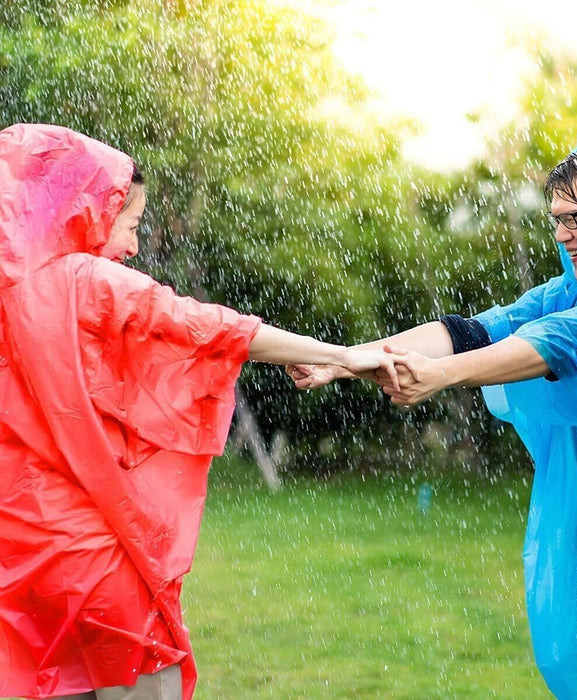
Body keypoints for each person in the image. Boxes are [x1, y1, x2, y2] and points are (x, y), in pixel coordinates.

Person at [0, 123, 406, 700]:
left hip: (23, 553)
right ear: (88, 210)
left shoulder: (10, 293)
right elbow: (217, 329)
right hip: (96, 554)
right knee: (147, 682)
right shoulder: (89, 283)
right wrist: (342, 355)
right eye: (131, 226)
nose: (134, 248)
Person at [289, 142, 577, 700]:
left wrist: (441, 376)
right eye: (556, 219)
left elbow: (565, 342)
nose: (562, 235)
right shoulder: (574, 291)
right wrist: (343, 358)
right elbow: (479, 330)